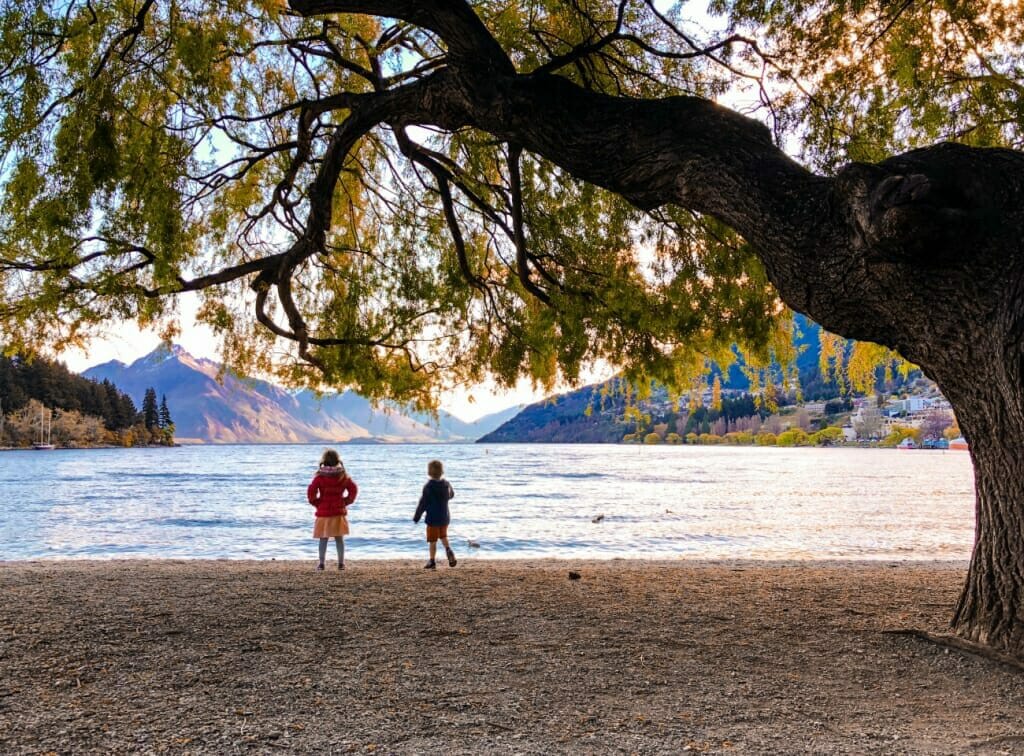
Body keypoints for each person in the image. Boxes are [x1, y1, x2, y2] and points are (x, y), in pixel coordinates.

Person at [307, 449, 358, 570]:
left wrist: (317, 503)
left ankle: (321, 564)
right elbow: (354, 489)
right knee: (339, 538)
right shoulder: (343, 475)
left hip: (323, 512)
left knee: (323, 538)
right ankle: (341, 564)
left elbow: (311, 492)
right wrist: (346, 501)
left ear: (324, 461)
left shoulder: (319, 477)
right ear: (337, 461)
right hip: (338, 511)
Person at [413, 459, 456, 569]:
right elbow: (451, 495)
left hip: (433, 519)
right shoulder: (446, 484)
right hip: (444, 517)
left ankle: (432, 561)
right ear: (442, 471)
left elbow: (423, 503)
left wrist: (417, 516)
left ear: (429, 472)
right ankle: (448, 550)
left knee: (432, 541)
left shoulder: (428, 486)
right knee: (443, 536)